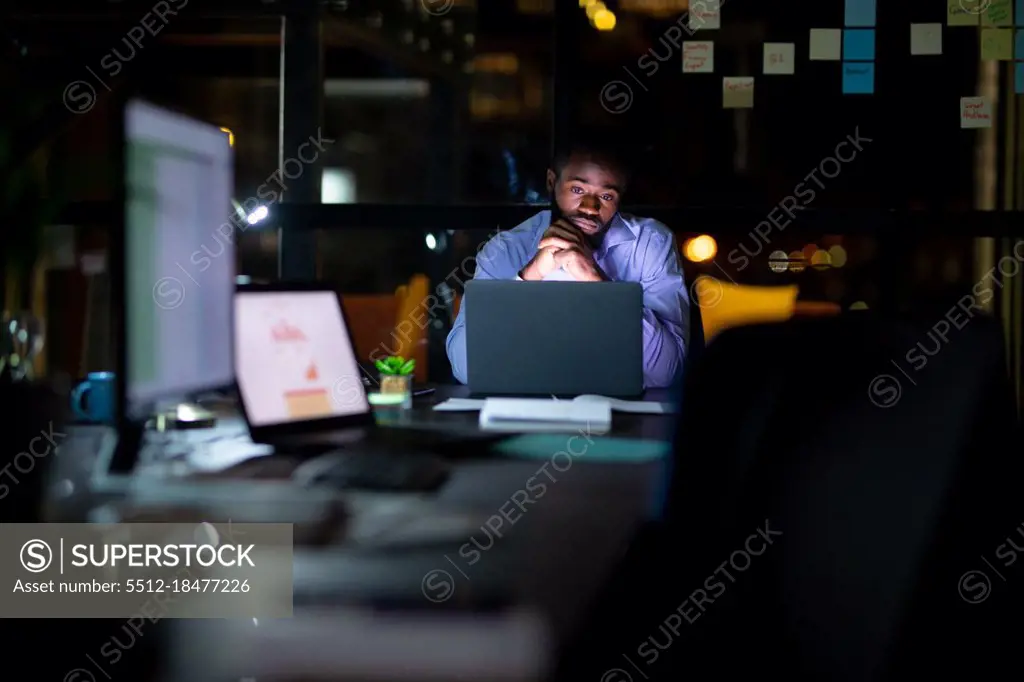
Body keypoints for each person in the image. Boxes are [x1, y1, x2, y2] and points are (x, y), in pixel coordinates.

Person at [446, 139, 689, 388]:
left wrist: (598, 284)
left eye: (606, 196)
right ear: (552, 182)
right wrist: (530, 276)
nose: (590, 208)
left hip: (619, 413)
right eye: (578, 190)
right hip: (523, 409)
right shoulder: (505, 249)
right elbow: (466, 368)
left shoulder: (650, 243)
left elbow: (666, 373)